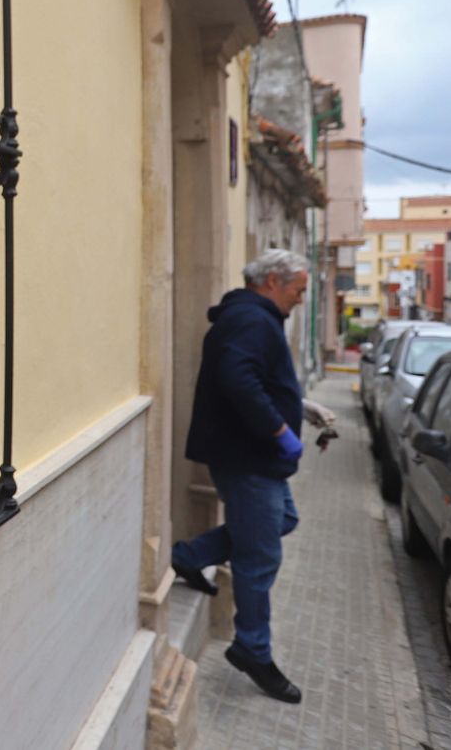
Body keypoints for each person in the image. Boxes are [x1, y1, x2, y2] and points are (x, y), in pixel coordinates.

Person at [169, 249, 334, 704]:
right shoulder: (250, 319)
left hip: (255, 457)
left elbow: (258, 379)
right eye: (299, 290)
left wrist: (300, 408)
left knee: (281, 520)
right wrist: (280, 430)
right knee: (259, 557)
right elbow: (238, 379)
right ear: (273, 282)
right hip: (249, 458)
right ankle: (252, 648)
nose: (301, 299)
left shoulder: (253, 316)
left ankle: (187, 555)